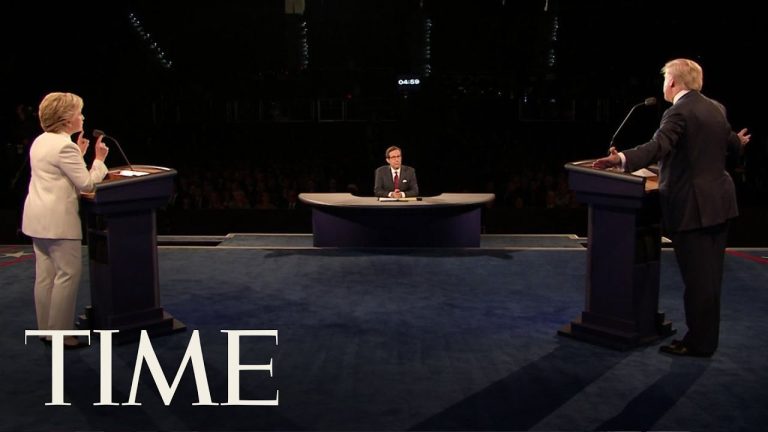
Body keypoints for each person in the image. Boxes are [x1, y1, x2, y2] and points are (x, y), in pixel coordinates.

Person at [593, 59, 750, 357]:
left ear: (674, 83)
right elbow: (729, 143)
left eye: (665, 79)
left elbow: (658, 145)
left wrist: (621, 159)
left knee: (698, 280)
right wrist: (739, 143)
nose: (663, 84)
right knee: (710, 277)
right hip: (720, 203)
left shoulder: (678, 111)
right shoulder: (715, 107)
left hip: (693, 206)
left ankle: (698, 344)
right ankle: (706, 339)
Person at [22, 92, 110, 349]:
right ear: (66, 118)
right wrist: (99, 161)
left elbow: (59, 172)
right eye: (78, 113)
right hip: (58, 221)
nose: (82, 116)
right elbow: (86, 183)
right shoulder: (64, 146)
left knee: (45, 276)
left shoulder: (41, 141)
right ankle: (61, 335)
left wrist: (79, 156)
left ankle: (46, 330)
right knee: (67, 275)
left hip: (37, 218)